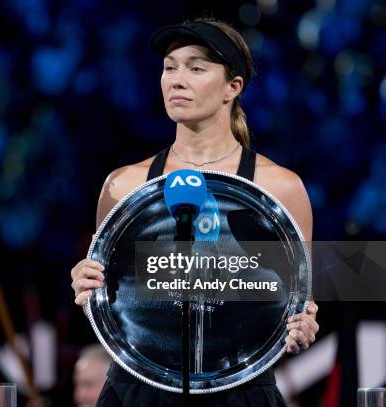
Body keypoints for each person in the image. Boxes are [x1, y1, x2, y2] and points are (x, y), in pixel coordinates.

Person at [70, 18, 319, 406]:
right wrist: (86, 284)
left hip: (239, 390)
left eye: (196, 68)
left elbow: (296, 297)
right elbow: (112, 296)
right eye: (170, 67)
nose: (176, 79)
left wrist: (303, 325)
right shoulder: (124, 185)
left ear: (232, 87)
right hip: (139, 389)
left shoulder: (279, 188)